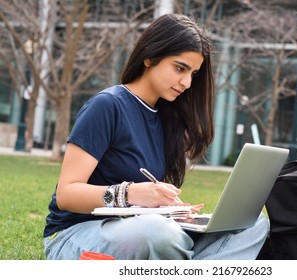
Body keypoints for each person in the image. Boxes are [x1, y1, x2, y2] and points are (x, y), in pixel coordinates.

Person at [43, 13, 269, 260]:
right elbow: (67, 195)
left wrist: (168, 208)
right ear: (150, 57)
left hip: (142, 232)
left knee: (252, 223)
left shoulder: (166, 118)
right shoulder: (107, 106)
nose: (186, 82)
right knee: (159, 232)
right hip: (74, 236)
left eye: (193, 74)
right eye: (180, 68)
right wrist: (130, 194)